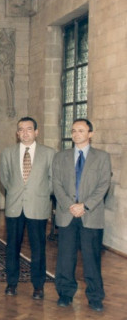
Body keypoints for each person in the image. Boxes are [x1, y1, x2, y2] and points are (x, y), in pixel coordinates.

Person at [53, 118, 111, 312]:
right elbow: (57, 184)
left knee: (91, 258)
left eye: (81, 130)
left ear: (90, 134)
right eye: (74, 131)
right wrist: (71, 205)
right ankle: (65, 293)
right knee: (65, 257)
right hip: (67, 213)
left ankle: (95, 296)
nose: (76, 134)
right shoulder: (60, 157)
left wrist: (84, 206)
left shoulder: (102, 157)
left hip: (91, 215)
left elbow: (104, 185)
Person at [0, 117, 55, 299]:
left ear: (36, 132)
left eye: (29, 129)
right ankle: (11, 284)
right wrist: (17, 192)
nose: (25, 133)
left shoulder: (49, 153)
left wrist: (39, 193)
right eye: (21, 129)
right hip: (14, 206)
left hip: (37, 207)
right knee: (12, 248)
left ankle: (38, 286)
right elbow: (4, 178)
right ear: (17, 133)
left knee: (38, 248)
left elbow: (52, 180)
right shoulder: (8, 152)